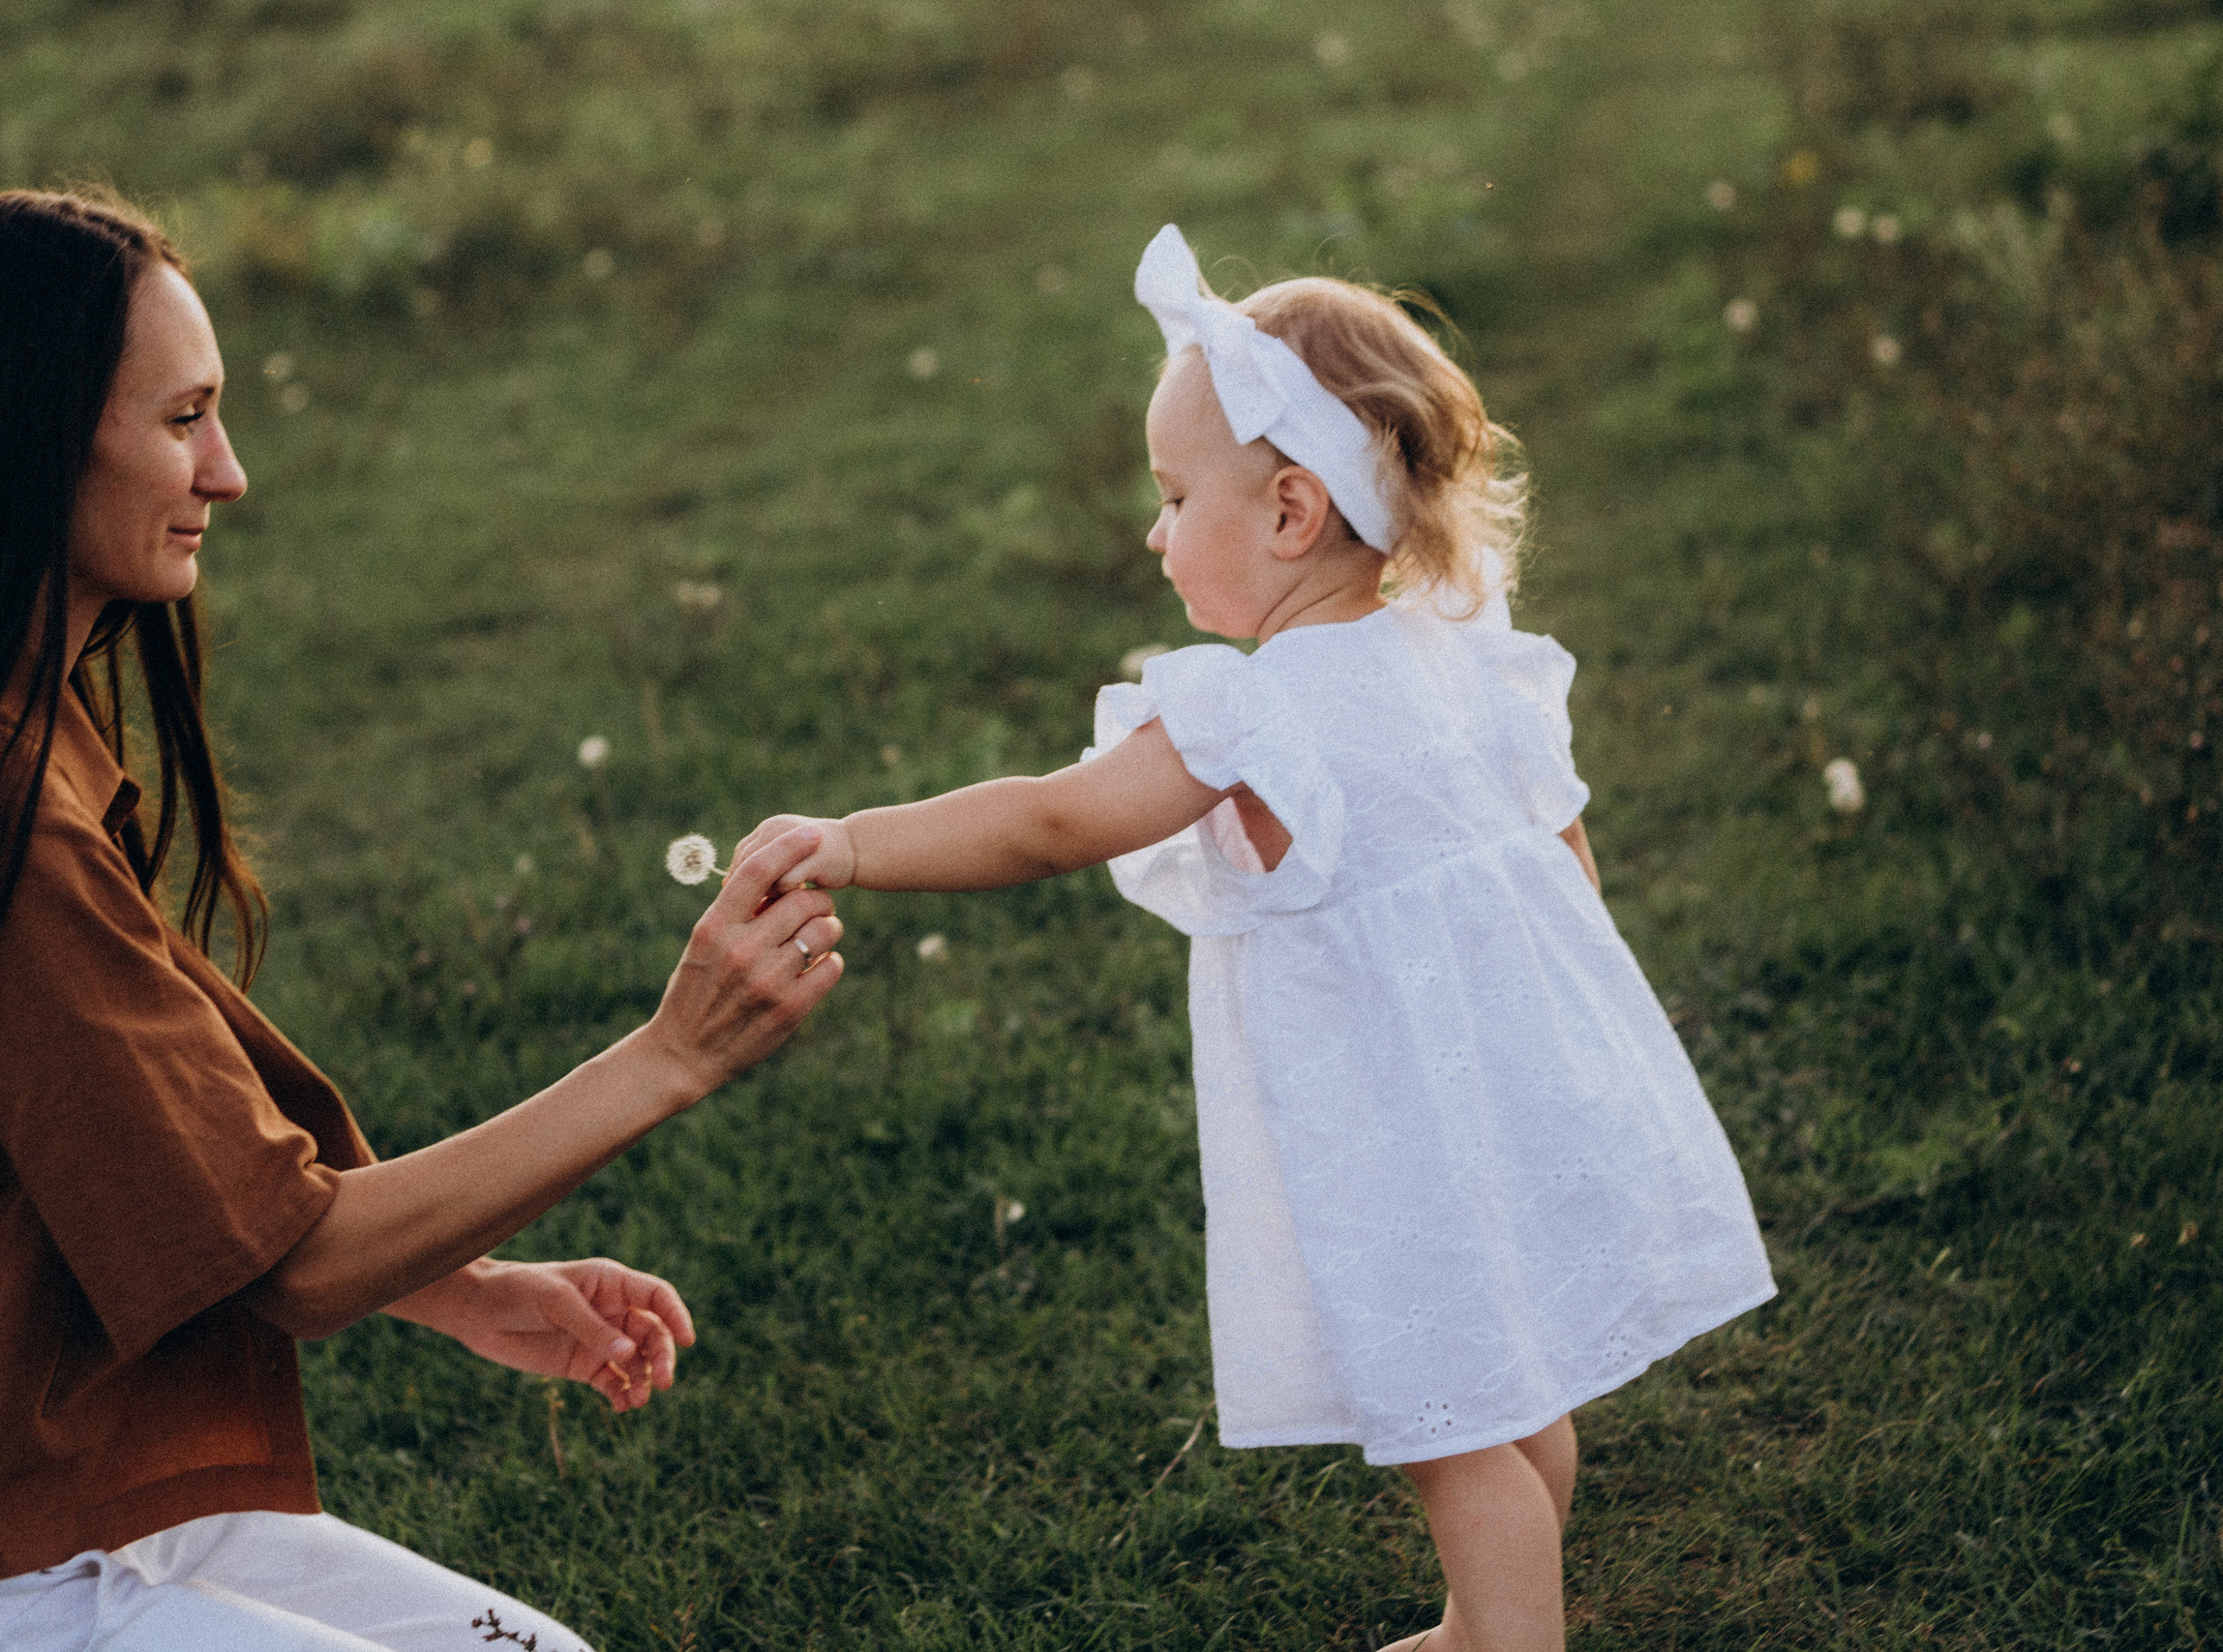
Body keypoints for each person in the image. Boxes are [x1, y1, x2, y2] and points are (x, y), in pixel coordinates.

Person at [0, 190, 844, 1651]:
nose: (232, 473)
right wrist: (673, 1053)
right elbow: (300, 1262)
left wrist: (463, 1289)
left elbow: (143, 1157)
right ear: (27, 440)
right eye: (184, 418)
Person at [736, 225, 1776, 1652]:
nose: (1154, 533)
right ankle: (1488, 1623)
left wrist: (853, 842)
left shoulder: (1252, 710)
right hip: (1520, 1084)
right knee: (1512, 1391)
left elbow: (1053, 820)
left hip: (1396, 1125)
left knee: (1444, 1421)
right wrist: (1582, 1040)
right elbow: (1560, 858)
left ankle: (1512, 1645)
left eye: (1172, 497)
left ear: (1289, 512)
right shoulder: (1461, 652)